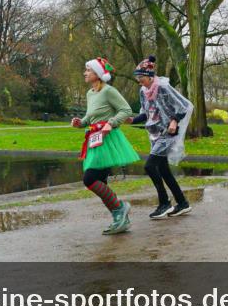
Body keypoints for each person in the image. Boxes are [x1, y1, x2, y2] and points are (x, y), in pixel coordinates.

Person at [71, 57, 140, 234]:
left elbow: (125, 110)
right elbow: (90, 117)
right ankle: (119, 218)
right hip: (94, 139)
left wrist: (111, 123)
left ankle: (120, 208)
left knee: (90, 179)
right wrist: (81, 122)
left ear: (98, 74)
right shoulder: (90, 93)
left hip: (107, 139)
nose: (84, 73)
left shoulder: (109, 91)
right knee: (100, 181)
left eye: (88, 70)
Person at [128, 56, 194, 219]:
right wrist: (132, 120)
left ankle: (164, 203)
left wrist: (174, 121)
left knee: (150, 166)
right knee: (163, 170)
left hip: (168, 133)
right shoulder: (143, 91)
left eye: (141, 78)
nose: (139, 81)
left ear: (150, 76)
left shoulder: (163, 87)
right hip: (155, 134)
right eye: (138, 78)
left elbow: (183, 106)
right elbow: (145, 113)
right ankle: (182, 203)